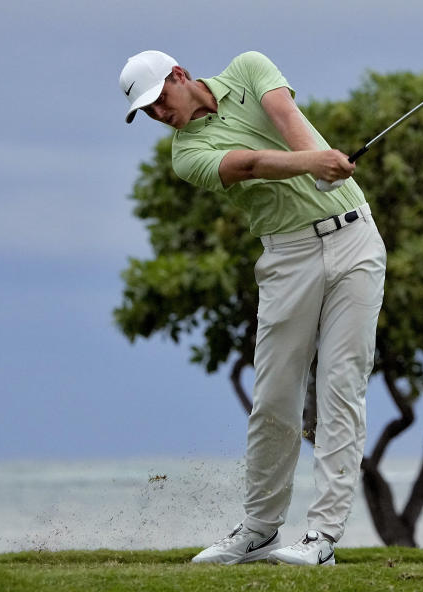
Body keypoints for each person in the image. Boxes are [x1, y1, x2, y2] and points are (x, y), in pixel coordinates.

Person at [119, 50, 386, 566]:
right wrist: (316, 162)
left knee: (342, 386)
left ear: (179, 75)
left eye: (158, 100)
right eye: (147, 112)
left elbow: (284, 115)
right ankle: (261, 529)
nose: (158, 115)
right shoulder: (185, 154)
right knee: (274, 397)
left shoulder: (248, 67)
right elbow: (249, 163)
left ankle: (322, 538)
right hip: (288, 256)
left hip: (355, 237)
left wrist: (324, 165)